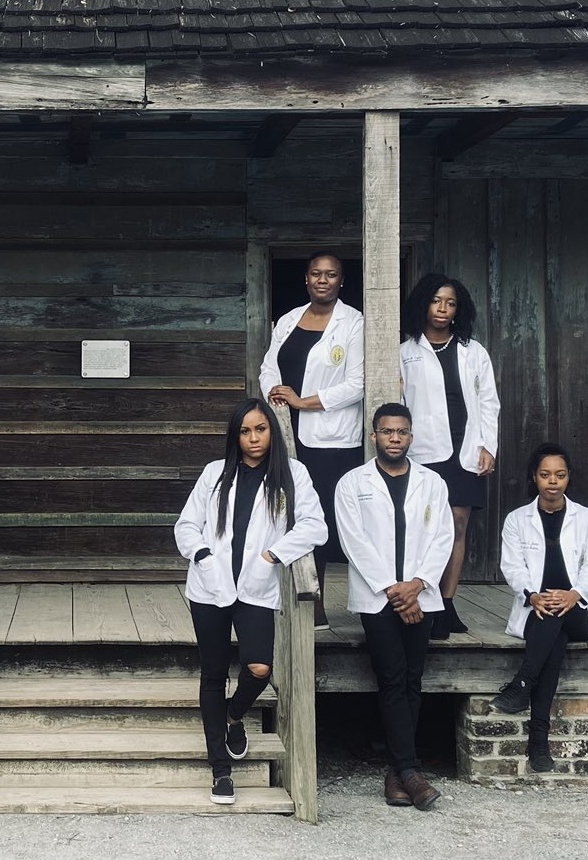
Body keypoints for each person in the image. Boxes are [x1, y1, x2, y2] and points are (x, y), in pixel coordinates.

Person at [174, 399, 327, 806]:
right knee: (213, 672)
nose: (253, 438)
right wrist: (203, 556)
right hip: (210, 586)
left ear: (272, 432)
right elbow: (187, 525)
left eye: (260, 429)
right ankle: (220, 771)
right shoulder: (215, 474)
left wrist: (273, 555)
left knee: (260, 667)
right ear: (235, 436)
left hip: (256, 586)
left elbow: (315, 525)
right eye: (245, 431)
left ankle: (234, 715)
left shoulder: (292, 474)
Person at [334, 403, 454, 810]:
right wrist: (394, 591)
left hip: (421, 595)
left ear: (411, 436)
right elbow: (354, 542)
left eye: (402, 432)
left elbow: (443, 538)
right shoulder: (352, 483)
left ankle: (396, 772)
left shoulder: (433, 483)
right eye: (387, 432)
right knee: (392, 677)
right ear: (374, 437)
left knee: (412, 681)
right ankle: (412, 771)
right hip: (378, 596)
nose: (395, 438)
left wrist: (416, 586)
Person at [258, 251, 364, 629]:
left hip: (330, 437)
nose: (323, 280)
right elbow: (269, 365)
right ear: (306, 279)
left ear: (341, 281)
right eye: (316, 274)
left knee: (317, 516)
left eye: (331, 274)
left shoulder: (354, 323)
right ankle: (280, 596)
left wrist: (305, 402)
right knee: (286, 509)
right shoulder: (289, 319)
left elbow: (358, 383)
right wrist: (277, 393)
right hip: (288, 433)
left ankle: (316, 603)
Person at [488, 443, 588, 774]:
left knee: (556, 616)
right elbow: (512, 566)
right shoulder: (517, 520)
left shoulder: (587, 518)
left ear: (568, 478)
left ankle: (523, 684)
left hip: (578, 608)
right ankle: (537, 747)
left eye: (560, 475)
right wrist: (532, 596)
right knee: (552, 640)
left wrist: (573, 594)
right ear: (534, 478)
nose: (552, 481)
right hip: (536, 609)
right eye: (545, 475)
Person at [398, 272, 499, 639]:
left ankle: (448, 601)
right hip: (425, 450)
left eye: (450, 303)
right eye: (436, 301)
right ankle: (422, 600)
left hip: (466, 448)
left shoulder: (474, 351)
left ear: (459, 310)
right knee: (426, 526)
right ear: (424, 305)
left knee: (458, 525)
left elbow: (489, 401)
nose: (442, 309)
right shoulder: (405, 352)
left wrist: (488, 445)